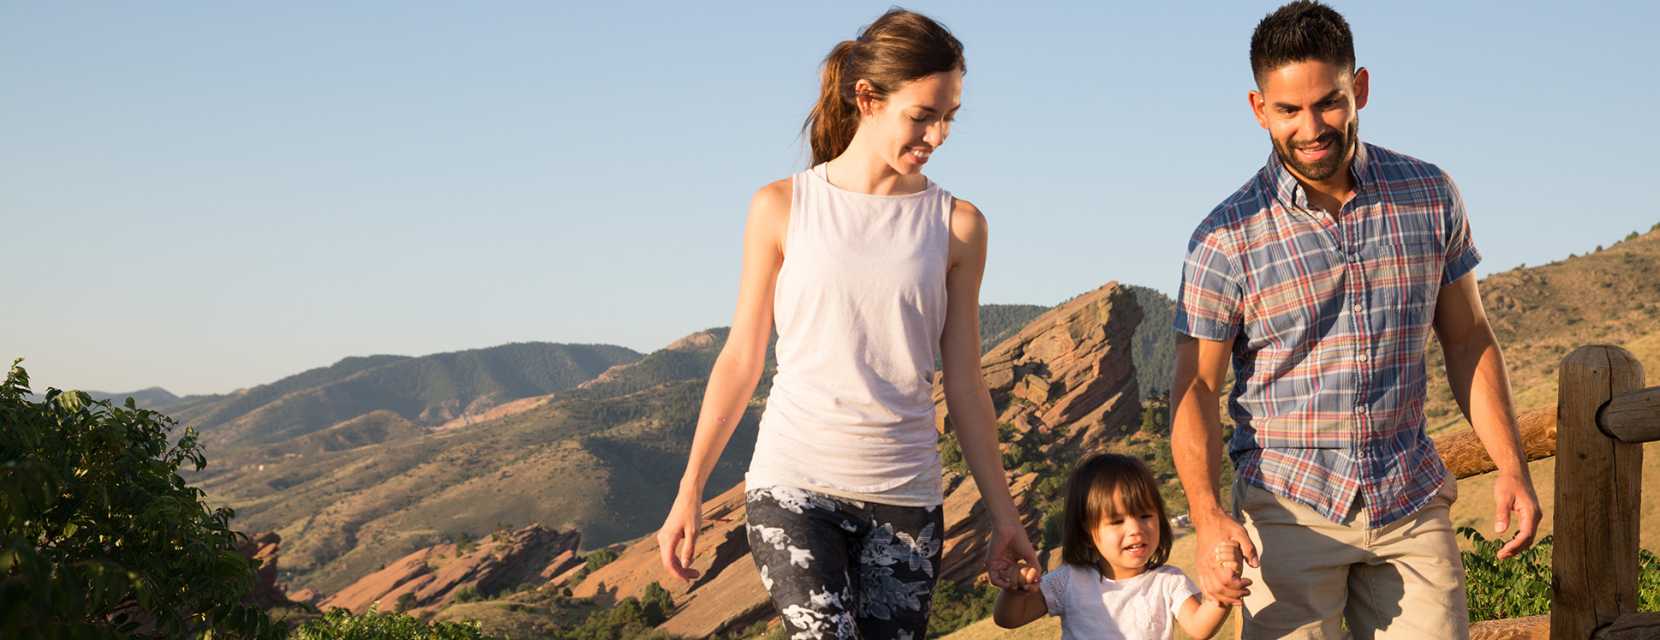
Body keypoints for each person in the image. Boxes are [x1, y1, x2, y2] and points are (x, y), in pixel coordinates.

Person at [654, 9, 1038, 639]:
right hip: (794, 485)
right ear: (868, 98)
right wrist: (690, 488)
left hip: (908, 499)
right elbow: (742, 357)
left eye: (950, 116)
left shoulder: (958, 225)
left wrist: (1005, 516)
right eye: (923, 115)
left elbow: (965, 383)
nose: (938, 134)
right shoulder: (782, 206)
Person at [1169, 2, 1542, 637]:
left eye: (1328, 102)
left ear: (1359, 88)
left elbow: (1468, 336)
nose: (1310, 126)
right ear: (1259, 109)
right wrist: (1207, 518)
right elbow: (1197, 389)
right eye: (1288, 110)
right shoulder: (1224, 238)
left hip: (1410, 500)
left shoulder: (1429, 194)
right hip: (1287, 511)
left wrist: (1511, 464)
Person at [993, 453, 1237, 639]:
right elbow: (1009, 619)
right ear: (1087, 533)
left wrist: (1221, 594)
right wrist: (1015, 590)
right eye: (1117, 521)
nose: (1135, 529)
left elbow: (1199, 627)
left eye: (1145, 516)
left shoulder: (1168, 581)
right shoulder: (1068, 581)